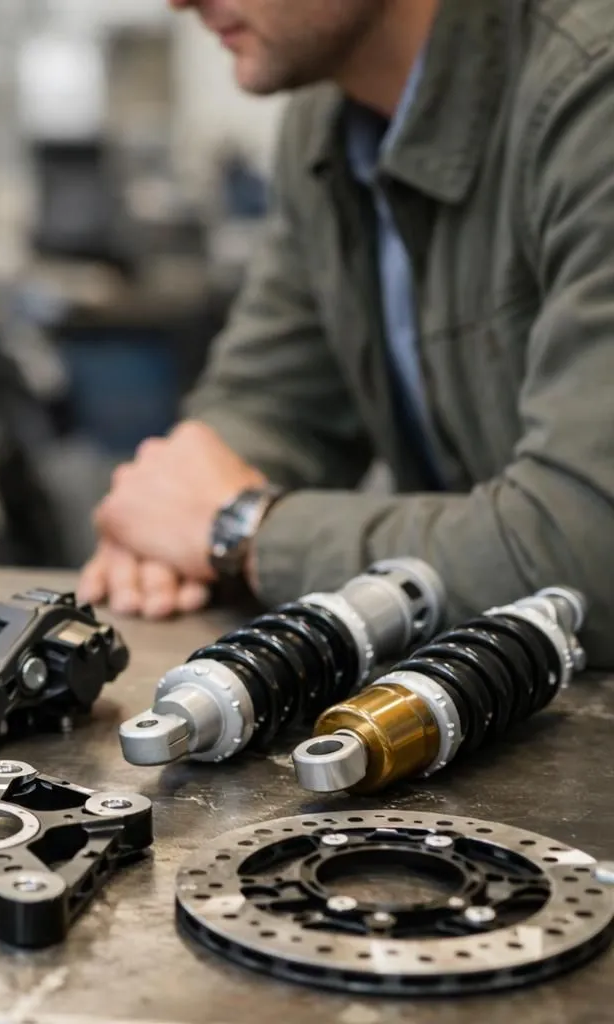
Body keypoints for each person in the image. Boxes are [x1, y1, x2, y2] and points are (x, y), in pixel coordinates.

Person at [78, 0, 614, 666]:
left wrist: (242, 533)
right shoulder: (328, 123)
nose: (178, 2)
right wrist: (160, 524)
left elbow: (591, 548)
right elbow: (271, 404)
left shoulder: (593, 85)